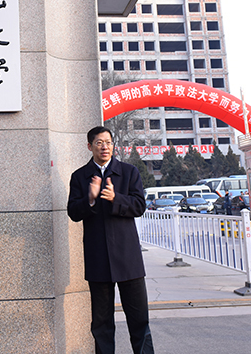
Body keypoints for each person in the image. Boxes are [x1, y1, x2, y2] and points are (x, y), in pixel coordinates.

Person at [67, 126, 154, 354]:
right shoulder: (79, 177)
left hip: (128, 259)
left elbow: (139, 206)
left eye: (108, 142)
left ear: (113, 146)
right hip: (98, 260)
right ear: (89, 146)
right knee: (102, 324)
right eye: (98, 142)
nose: (104, 147)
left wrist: (116, 198)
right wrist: (91, 199)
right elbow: (73, 212)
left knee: (139, 322)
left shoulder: (129, 172)